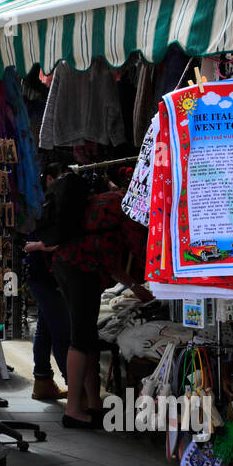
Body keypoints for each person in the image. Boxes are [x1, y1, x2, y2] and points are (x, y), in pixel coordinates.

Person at [33, 170, 151, 430]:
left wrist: (134, 285)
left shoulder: (101, 201)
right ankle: (74, 409)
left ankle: (93, 404)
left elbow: (107, 255)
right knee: (80, 339)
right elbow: (138, 249)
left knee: (86, 339)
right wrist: (150, 279)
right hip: (81, 271)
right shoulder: (124, 207)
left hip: (67, 266)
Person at [22, 163, 72, 402]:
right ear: (50, 178)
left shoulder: (46, 203)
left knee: (46, 327)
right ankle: (74, 387)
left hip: (42, 274)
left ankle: (43, 381)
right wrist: (45, 244)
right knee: (61, 330)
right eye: (61, 177)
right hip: (42, 274)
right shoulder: (43, 205)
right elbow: (27, 241)